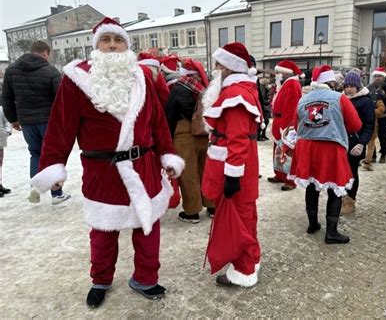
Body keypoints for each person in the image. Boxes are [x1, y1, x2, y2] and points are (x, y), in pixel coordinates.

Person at [29, 17, 185, 308]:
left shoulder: (140, 77)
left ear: (127, 46)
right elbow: (61, 127)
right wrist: (53, 165)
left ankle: (145, 277)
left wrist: (166, 154)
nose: (112, 46)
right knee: (102, 232)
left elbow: (158, 122)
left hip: (144, 166)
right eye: (106, 40)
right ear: (96, 45)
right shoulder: (77, 80)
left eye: (118, 40)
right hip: (103, 171)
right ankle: (100, 279)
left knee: (148, 227)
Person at [201, 42, 262, 287]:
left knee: (240, 219)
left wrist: (232, 176)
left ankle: (244, 270)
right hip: (238, 165)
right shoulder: (238, 90)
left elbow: (237, 139)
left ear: (229, 67)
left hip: (236, 167)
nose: (216, 68)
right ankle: (251, 259)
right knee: (246, 215)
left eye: (219, 64)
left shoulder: (236, 95)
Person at [288, 66, 362, 244]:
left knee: (312, 186)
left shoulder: (303, 99)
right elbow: (355, 125)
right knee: (334, 189)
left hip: (307, 148)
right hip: (331, 148)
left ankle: (313, 224)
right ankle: (331, 232)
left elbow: (295, 124)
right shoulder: (340, 98)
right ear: (331, 83)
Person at [2, 40, 70, 204]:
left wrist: (13, 119)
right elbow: (61, 98)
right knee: (52, 155)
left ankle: (35, 189)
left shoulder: (11, 71)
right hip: (48, 121)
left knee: (35, 153)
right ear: (46, 53)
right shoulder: (50, 71)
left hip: (26, 122)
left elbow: (6, 98)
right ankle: (57, 194)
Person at [165, 58, 215, 223]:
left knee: (189, 175)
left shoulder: (178, 89)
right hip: (203, 134)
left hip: (184, 136)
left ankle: (192, 211)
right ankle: (211, 205)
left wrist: (168, 140)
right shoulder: (204, 88)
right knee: (205, 171)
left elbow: (170, 116)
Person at [341, 71, 375, 214]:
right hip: (341, 141)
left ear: (358, 86)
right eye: (347, 86)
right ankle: (342, 195)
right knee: (342, 171)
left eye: (352, 86)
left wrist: (362, 143)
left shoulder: (365, 101)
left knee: (352, 172)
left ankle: (350, 200)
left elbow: (369, 125)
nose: (349, 89)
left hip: (355, 142)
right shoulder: (341, 98)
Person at [268, 60, 302, 191]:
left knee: (286, 152)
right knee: (278, 149)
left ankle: (290, 179)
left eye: (279, 72)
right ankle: (280, 174)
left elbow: (291, 107)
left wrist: (286, 126)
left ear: (286, 73)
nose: (277, 74)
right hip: (279, 120)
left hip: (285, 122)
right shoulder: (286, 84)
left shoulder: (292, 84)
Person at [366, 67, 386, 163]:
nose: (377, 78)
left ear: (383, 77)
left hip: (384, 115)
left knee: (382, 136)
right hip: (372, 114)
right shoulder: (370, 86)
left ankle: (384, 153)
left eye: (379, 76)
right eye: (375, 76)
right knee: (371, 135)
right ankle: (373, 155)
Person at [0, 106, 12, 197]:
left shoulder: (1, 109)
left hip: (0, 140)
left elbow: (6, 121)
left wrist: (7, 131)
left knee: (0, 163)